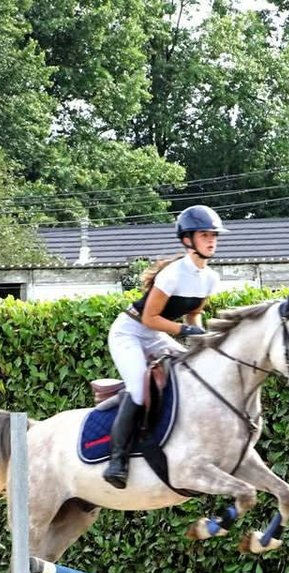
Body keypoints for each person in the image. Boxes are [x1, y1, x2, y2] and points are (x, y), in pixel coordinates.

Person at [102, 204, 228, 489]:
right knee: (137, 387)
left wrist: (201, 342)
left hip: (156, 334)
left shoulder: (210, 277)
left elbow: (193, 314)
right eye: (205, 235)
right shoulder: (172, 274)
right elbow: (149, 318)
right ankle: (117, 461)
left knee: (193, 372)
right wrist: (185, 330)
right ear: (188, 240)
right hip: (130, 332)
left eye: (214, 236)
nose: (212, 241)